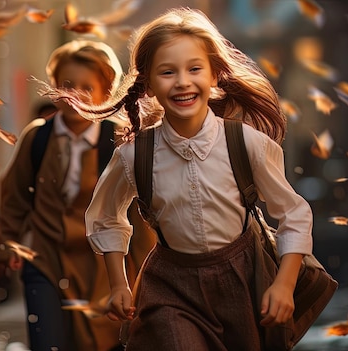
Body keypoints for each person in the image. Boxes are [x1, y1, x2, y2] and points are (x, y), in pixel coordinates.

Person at [42, 8, 314, 350]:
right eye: (168, 72)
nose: (183, 81)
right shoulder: (134, 155)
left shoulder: (246, 143)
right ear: (149, 85)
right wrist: (118, 284)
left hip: (244, 282)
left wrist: (284, 285)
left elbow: (294, 214)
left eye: (194, 69)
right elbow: (105, 217)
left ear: (214, 77)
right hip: (170, 286)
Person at [0, 39, 151, 351]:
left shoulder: (122, 140)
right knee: (47, 341)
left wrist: (145, 271)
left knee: (99, 342)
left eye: (87, 87)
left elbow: (139, 213)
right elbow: (14, 195)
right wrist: (6, 245)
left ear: (106, 92)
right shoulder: (38, 137)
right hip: (45, 260)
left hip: (103, 267)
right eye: (66, 85)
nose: (75, 95)